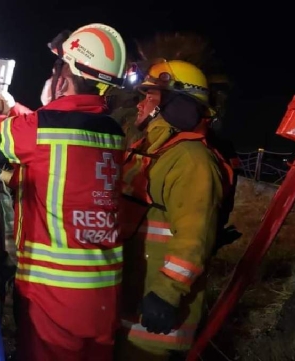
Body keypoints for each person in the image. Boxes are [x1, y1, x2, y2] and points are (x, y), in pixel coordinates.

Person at [0, 23, 129, 360]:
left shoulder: (45, 130)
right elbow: (57, 156)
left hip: (55, 297)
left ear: (65, 78)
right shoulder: (111, 132)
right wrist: (14, 109)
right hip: (103, 293)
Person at [115, 60, 235, 360]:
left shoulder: (192, 161)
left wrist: (166, 294)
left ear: (172, 103)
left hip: (153, 323)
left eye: (150, 96)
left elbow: (195, 237)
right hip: (126, 302)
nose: (141, 104)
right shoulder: (149, 151)